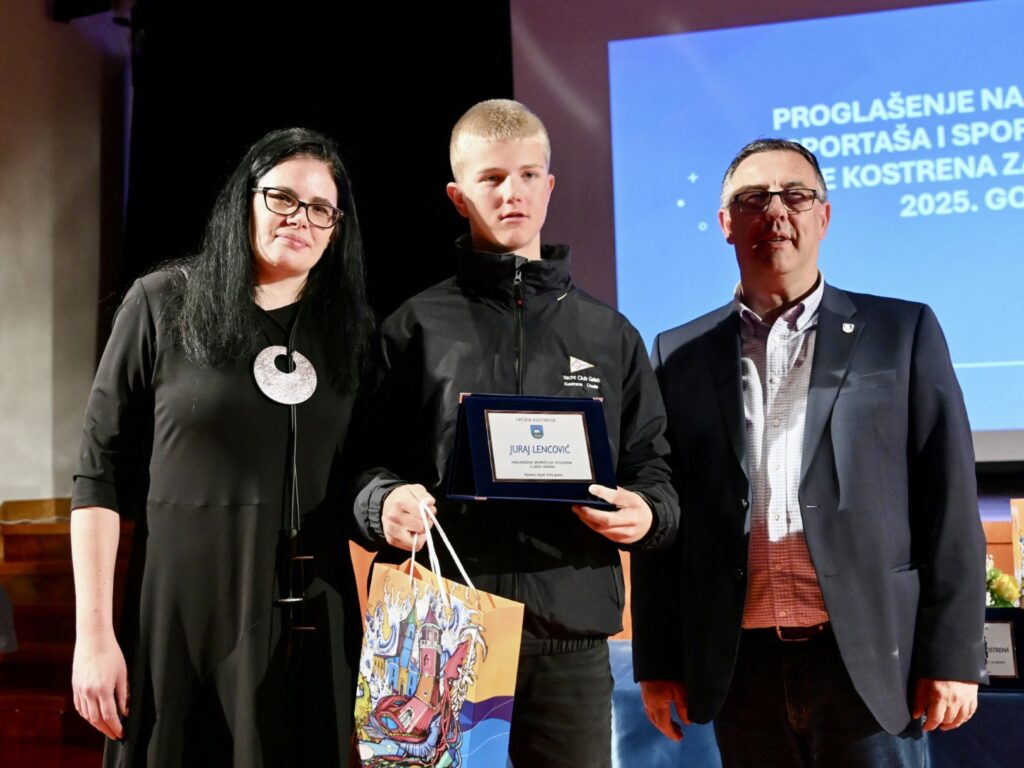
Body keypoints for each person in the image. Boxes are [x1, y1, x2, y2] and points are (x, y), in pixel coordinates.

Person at [631, 138, 988, 767]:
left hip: (870, 665)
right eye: (753, 199)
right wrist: (658, 662)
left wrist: (956, 656)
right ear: (726, 224)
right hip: (741, 669)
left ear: (823, 217)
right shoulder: (677, 353)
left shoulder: (902, 333)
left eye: (795, 196)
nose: (775, 211)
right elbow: (668, 519)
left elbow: (951, 501)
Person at [353, 99, 678, 768]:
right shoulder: (412, 329)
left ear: (550, 186)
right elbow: (361, 466)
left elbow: (653, 470)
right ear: (458, 196)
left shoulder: (610, 335)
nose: (513, 193)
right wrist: (381, 503)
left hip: (570, 637)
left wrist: (648, 513)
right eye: (492, 178)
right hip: (438, 633)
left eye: (529, 175)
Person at [70, 127, 374, 767]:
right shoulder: (163, 302)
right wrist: (93, 636)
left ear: (337, 229)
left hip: (311, 621)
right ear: (245, 200)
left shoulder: (352, 334)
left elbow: (363, 476)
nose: (301, 218)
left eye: (322, 209)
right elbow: (98, 475)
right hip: (183, 620)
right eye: (282, 198)